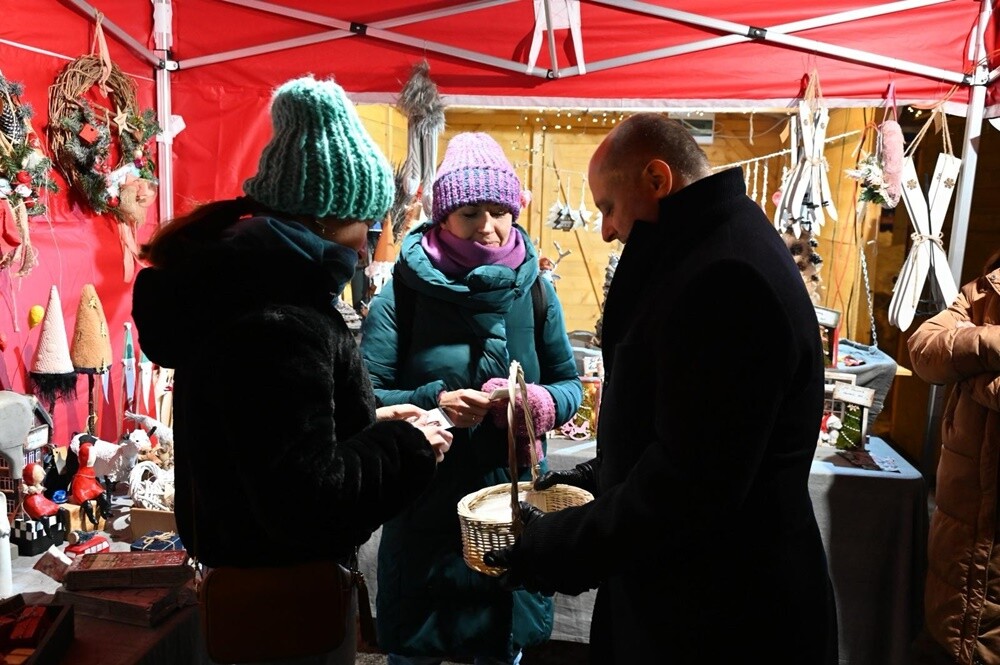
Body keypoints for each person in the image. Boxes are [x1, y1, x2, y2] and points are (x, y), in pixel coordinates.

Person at [483, 113, 839, 663]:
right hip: (696, 598)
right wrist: (598, 475)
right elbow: (683, 422)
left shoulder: (726, 275)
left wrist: (554, 546)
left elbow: (689, 486)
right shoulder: (707, 245)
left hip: (727, 616)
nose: (606, 229)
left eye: (608, 207)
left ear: (656, 179)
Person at [131, 75, 452, 665]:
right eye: (365, 226)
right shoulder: (276, 322)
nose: (367, 246)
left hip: (259, 590)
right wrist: (409, 446)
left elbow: (273, 446)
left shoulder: (250, 294)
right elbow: (306, 500)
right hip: (281, 608)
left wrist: (374, 423)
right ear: (325, 219)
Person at [360, 132, 583, 665]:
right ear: (443, 217)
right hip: (422, 507)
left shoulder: (535, 290)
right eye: (470, 213)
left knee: (500, 647)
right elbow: (366, 399)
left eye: (500, 211)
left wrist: (534, 404)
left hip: (508, 510)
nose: (488, 227)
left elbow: (568, 384)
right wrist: (435, 401)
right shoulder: (403, 294)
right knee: (416, 649)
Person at [907, 248, 1000, 665]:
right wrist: (992, 343)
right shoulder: (988, 288)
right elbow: (924, 348)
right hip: (958, 559)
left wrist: (967, 375)